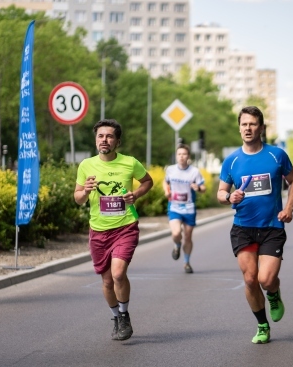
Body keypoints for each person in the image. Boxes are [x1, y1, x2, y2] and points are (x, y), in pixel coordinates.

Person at [217, 106, 293, 344]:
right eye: (244, 124)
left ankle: (273, 293)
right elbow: (221, 192)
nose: (248, 128)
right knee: (251, 279)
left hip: (272, 227)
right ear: (239, 127)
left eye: (252, 124)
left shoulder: (276, 155)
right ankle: (262, 325)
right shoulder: (232, 161)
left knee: (266, 279)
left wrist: (289, 208)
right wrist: (228, 197)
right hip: (243, 227)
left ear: (261, 128)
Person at [74, 119, 153, 341]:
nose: (104, 140)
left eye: (109, 136)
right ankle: (116, 317)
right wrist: (85, 191)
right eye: (100, 136)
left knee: (118, 273)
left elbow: (148, 181)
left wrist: (135, 195)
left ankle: (125, 315)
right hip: (98, 231)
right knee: (107, 281)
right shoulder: (86, 166)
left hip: (125, 226)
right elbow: (78, 198)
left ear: (117, 141)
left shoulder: (130, 163)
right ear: (96, 139)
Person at [163, 144, 206, 274]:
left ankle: (186, 262)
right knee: (176, 233)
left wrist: (197, 188)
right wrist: (166, 191)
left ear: (188, 156)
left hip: (189, 208)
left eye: (184, 154)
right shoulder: (170, 170)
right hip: (174, 207)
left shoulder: (194, 171)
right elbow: (165, 181)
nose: (181, 156)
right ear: (176, 156)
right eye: (179, 154)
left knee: (187, 237)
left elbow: (203, 188)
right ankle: (176, 245)